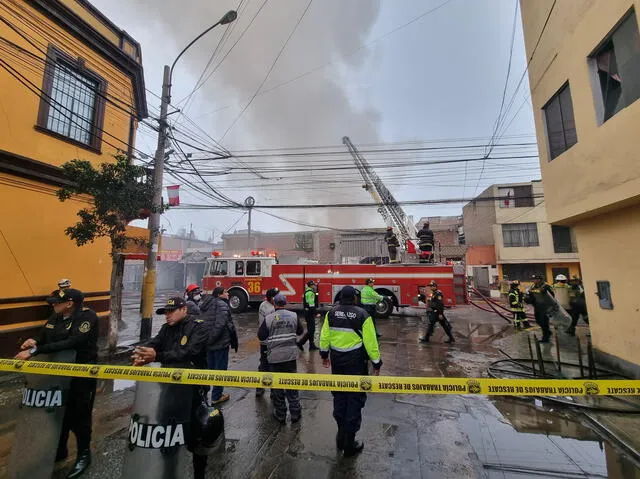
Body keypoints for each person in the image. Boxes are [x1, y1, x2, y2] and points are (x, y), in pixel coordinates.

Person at [16, 288, 98, 479]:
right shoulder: (56, 317)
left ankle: (84, 454)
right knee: (57, 411)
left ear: (69, 303)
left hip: (80, 375)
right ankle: (59, 451)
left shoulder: (88, 317)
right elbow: (44, 334)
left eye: (56, 302)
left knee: (80, 415)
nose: (53, 304)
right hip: (57, 375)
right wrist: (33, 341)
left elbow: (72, 342)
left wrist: (35, 351)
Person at [131, 297, 210, 479]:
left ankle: (200, 474)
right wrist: (140, 352)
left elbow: (189, 352)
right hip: (169, 390)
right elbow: (155, 342)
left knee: (197, 437)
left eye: (171, 311)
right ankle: (169, 471)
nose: (167, 315)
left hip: (193, 391)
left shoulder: (198, 327)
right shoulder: (167, 329)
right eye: (165, 312)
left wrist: (157, 356)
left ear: (184, 309)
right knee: (168, 432)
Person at [320, 286, 382, 457]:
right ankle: (349, 443)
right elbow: (371, 342)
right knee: (354, 399)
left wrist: (324, 355)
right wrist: (376, 363)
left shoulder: (331, 313)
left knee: (339, 396)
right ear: (354, 298)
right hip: (356, 364)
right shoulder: (363, 315)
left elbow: (324, 337)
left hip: (338, 364)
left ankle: (340, 435)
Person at [258, 294, 304, 423]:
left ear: (274, 303)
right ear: (286, 302)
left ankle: (281, 414)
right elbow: (300, 331)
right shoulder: (294, 316)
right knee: (291, 385)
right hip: (290, 357)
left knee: (277, 387)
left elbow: (261, 336)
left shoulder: (269, 318)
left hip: (275, 358)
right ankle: (295, 413)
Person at [199, 286, 234, 404]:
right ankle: (216, 396)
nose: (228, 294)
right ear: (219, 294)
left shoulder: (206, 304)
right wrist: (212, 339)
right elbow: (220, 324)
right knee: (220, 370)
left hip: (208, 344)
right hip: (220, 343)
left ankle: (203, 395)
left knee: (210, 369)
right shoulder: (222, 305)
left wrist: (206, 340)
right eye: (225, 292)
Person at [256, 287, 279, 397]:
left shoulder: (263, 304)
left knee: (263, 364)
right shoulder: (271, 310)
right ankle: (273, 391)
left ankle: (260, 388)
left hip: (263, 340)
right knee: (270, 365)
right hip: (269, 341)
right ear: (272, 298)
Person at [525, 275, 555, 343]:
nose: (533, 281)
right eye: (533, 279)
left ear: (539, 280)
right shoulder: (533, 287)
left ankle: (545, 338)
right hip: (537, 306)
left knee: (544, 322)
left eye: (535, 279)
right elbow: (532, 296)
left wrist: (550, 307)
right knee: (538, 320)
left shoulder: (546, 286)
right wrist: (527, 298)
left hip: (545, 307)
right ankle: (547, 331)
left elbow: (552, 296)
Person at [297, 281, 319, 351]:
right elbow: (311, 304)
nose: (315, 286)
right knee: (311, 330)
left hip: (308, 313)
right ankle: (301, 343)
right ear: (311, 285)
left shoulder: (308, 291)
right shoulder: (310, 293)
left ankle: (311, 345)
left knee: (311, 330)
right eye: (313, 285)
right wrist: (316, 313)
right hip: (310, 313)